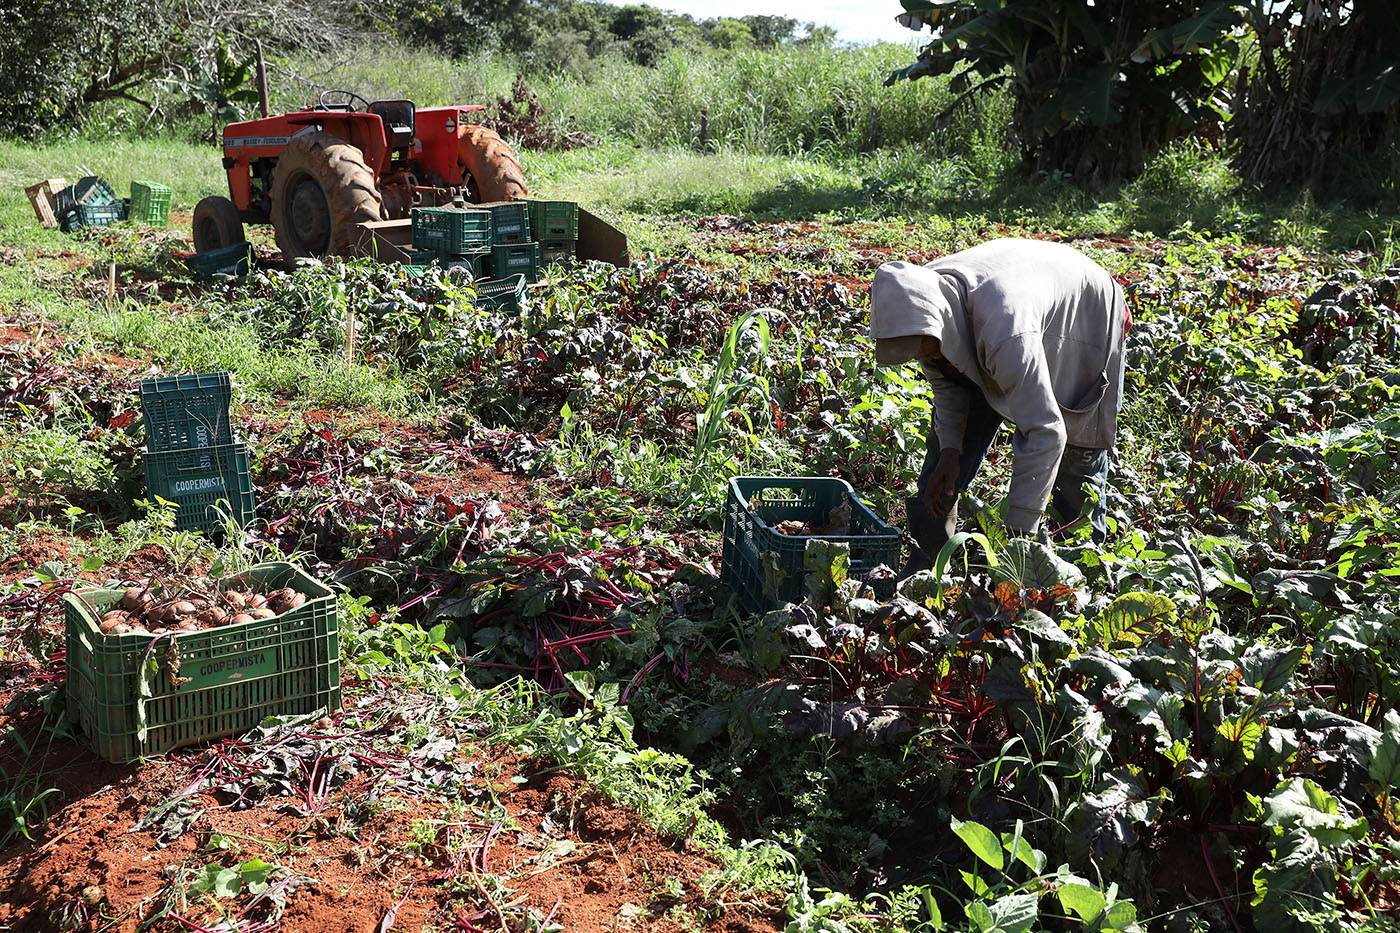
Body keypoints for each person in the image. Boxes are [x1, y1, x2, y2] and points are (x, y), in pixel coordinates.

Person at [868, 238, 1129, 576]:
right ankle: (928, 561)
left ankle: (1082, 574)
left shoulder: (1005, 332)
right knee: (946, 454)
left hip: (1086, 311)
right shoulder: (919, 299)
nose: (924, 359)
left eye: (927, 351)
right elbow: (950, 382)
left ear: (940, 324)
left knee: (1076, 458)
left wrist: (1017, 535)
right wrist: (950, 450)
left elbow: (1046, 432)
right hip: (1014, 306)